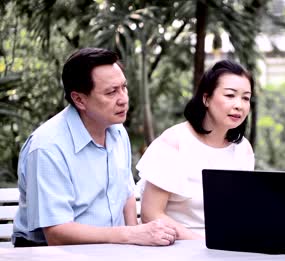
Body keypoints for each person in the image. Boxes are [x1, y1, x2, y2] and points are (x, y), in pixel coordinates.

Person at [12, 48, 176, 247]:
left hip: (111, 249)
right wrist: (130, 235)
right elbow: (57, 234)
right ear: (79, 99)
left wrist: (136, 242)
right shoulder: (47, 148)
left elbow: (126, 195)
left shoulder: (117, 131)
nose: (123, 99)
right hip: (53, 254)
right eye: (111, 92)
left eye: (124, 87)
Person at [137, 60, 255, 240]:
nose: (239, 105)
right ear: (206, 98)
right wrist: (204, 244)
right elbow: (151, 213)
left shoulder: (243, 149)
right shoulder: (174, 142)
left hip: (226, 247)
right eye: (230, 95)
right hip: (177, 247)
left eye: (245, 98)